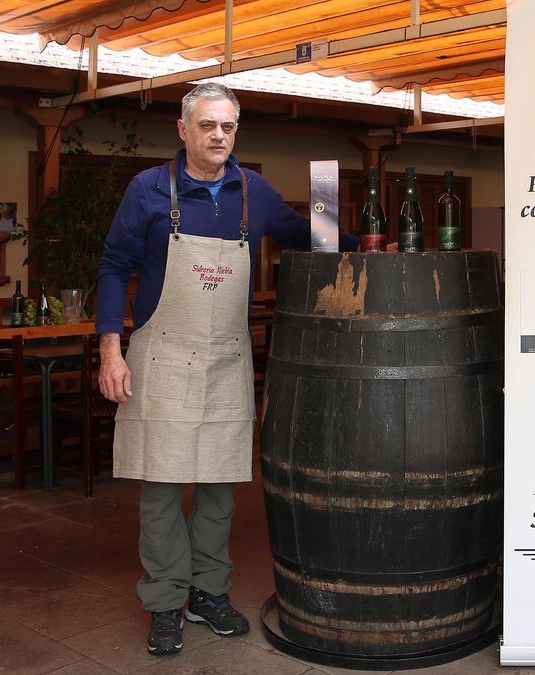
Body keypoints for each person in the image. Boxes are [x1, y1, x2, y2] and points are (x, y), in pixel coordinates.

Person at [95, 82, 357, 655]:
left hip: (225, 360)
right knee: (162, 487)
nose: (218, 136)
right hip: (161, 355)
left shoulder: (251, 192)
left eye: (228, 127)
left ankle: (208, 593)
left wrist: (356, 231)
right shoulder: (146, 191)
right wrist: (110, 350)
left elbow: (313, 237)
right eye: (208, 125)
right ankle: (165, 602)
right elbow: (114, 269)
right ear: (183, 129)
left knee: (218, 486)